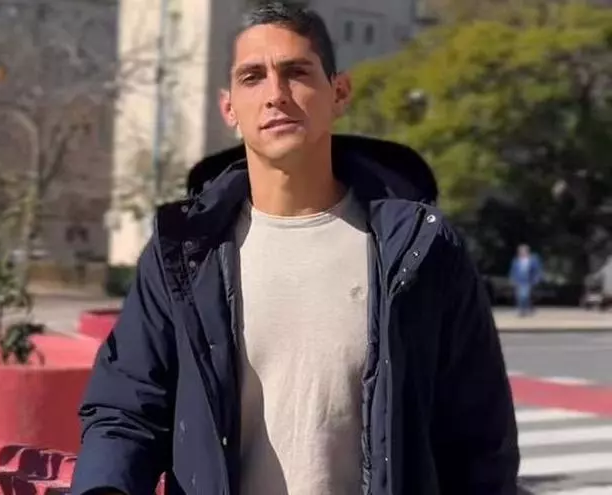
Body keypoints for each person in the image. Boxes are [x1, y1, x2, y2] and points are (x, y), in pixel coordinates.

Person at [72, 3, 519, 495]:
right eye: (253, 77)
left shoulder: (421, 248)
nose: (276, 95)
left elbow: (479, 437)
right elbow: (126, 410)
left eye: (297, 72)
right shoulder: (184, 251)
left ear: (338, 93)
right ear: (229, 109)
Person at [508, 244, 542, 317]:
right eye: (521, 251)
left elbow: (537, 270)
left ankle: (525, 309)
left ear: (527, 252)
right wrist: (512, 279)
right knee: (519, 296)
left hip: (528, 280)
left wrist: (536, 278)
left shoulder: (533, 260)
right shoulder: (516, 260)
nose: (522, 252)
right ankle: (523, 310)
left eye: (523, 251)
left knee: (524, 295)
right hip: (519, 280)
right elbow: (513, 271)